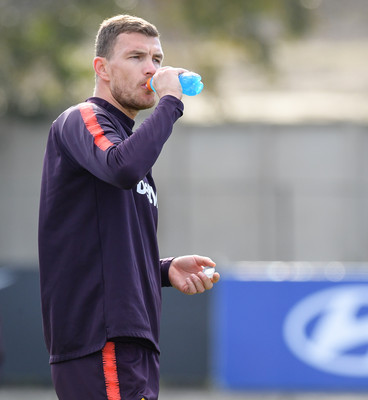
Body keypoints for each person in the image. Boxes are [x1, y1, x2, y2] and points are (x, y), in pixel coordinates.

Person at [38, 14, 219, 400]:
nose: (152, 69)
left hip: (131, 342)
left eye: (157, 58)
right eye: (137, 57)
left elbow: (106, 253)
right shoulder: (84, 118)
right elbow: (121, 168)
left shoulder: (131, 149)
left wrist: (166, 270)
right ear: (101, 68)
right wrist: (170, 102)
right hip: (100, 337)